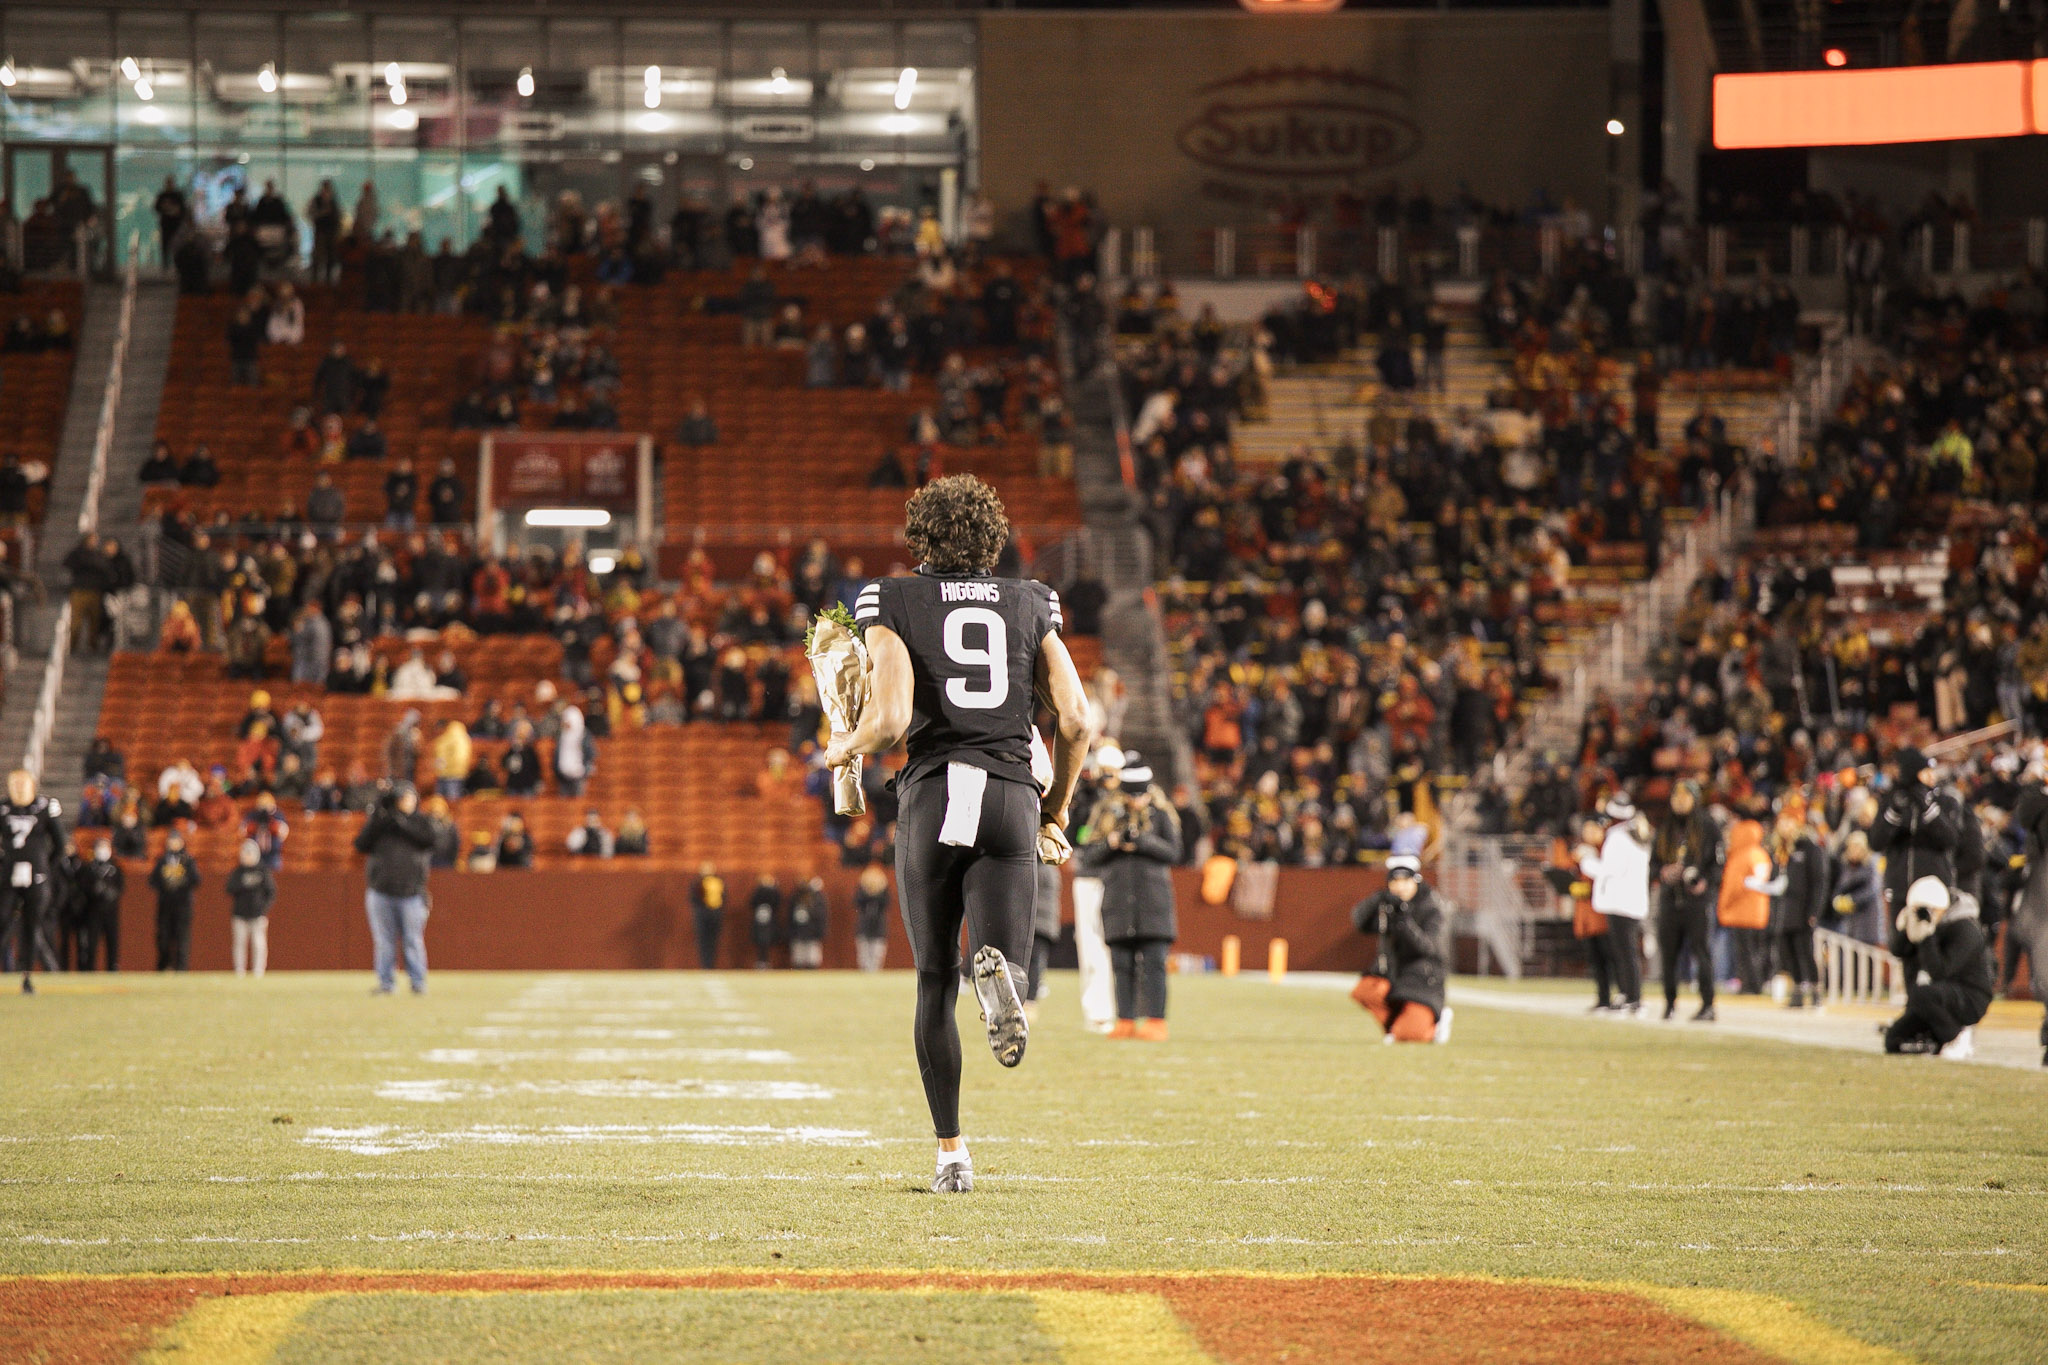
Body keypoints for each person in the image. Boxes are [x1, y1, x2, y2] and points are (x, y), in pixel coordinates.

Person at [823, 473, 1092, 1194]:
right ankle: (1003, 977)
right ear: (992, 539)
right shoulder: (1031, 599)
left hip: (937, 793)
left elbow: (888, 721)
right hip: (1009, 795)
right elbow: (1075, 719)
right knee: (1006, 960)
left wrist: (844, 746)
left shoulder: (893, 597)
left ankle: (952, 1154)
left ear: (920, 535)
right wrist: (1056, 810)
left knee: (934, 980)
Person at [1078, 750, 1180, 1040]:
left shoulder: (1162, 815)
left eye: (1140, 795)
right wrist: (1112, 842)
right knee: (1121, 965)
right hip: (1118, 902)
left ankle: (1156, 1021)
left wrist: (1144, 841)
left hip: (1153, 903)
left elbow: (1175, 852)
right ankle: (1125, 1020)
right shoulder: (1107, 814)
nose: (1136, 800)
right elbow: (1088, 855)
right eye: (1132, 795)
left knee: (1154, 964)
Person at [1884, 876, 1995, 1058]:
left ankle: (1956, 1036)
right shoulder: (1925, 923)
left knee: (1921, 994)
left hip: (1969, 997)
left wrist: (1927, 936)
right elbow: (1898, 951)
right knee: (1893, 1040)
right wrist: (1906, 930)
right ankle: (1934, 1042)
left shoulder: (1965, 929)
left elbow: (1940, 971)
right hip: (1933, 1000)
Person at [1348, 853, 1451, 1043]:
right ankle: (1397, 1026)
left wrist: (1404, 922)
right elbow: (1360, 922)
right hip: (1394, 975)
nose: (1400, 886)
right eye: (1394, 881)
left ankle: (1434, 1027)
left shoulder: (1432, 908)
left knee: (1410, 1034)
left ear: (1416, 880)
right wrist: (1378, 898)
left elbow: (1427, 948)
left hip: (1422, 980)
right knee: (1365, 990)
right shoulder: (1390, 905)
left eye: (1405, 881)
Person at [1870, 749, 1984, 920]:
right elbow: (1875, 842)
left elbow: (1950, 839)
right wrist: (1894, 812)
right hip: (1899, 891)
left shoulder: (1946, 802)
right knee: (1899, 937)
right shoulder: (1890, 801)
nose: (1932, 776)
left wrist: (1927, 808)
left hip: (1934, 893)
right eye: (1925, 771)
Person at [353, 782, 437, 995]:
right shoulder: (382, 824)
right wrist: (380, 813)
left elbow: (430, 840)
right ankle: (386, 983)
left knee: (413, 940)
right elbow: (361, 844)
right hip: (381, 890)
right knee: (384, 941)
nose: (407, 802)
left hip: (411, 892)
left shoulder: (420, 822)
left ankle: (418, 982)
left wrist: (402, 823)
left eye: (410, 797)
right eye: (402, 798)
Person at [1577, 793, 1652, 1015]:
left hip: (1620, 901)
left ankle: (1633, 997)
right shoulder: (1636, 835)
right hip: (1630, 901)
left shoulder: (1619, 837)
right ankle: (1628, 995)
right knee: (1625, 953)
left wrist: (1586, 861)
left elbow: (1610, 871)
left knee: (1625, 953)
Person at [1652, 780, 1720, 1021]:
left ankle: (1708, 1004)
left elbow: (1718, 863)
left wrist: (1705, 882)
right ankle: (1669, 1003)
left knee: (1702, 953)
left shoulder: (1707, 826)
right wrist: (1663, 872)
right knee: (1668, 955)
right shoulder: (1665, 828)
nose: (1680, 801)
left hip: (1697, 902)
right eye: (1676, 796)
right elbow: (1653, 864)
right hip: (1670, 899)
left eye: (1685, 796)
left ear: (1695, 799)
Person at [0, 770, 67, 990]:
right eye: (15, 783)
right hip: (9, 877)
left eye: (23, 783)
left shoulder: (45, 807)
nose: (19, 787)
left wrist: (45, 868)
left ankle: (26, 976)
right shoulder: (3, 808)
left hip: (36, 878)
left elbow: (60, 844)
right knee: (2, 919)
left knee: (31, 926)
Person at [1718, 816, 1775, 994]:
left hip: (1742, 911)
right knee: (1755, 951)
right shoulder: (1760, 854)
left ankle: (1750, 985)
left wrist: (1724, 906)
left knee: (1744, 952)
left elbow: (1733, 886)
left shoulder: (1741, 856)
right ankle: (1755, 984)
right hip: (1759, 910)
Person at [225, 839, 277, 979]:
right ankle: (239, 970)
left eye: (250, 853)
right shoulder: (238, 872)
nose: (247, 856)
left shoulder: (263, 871)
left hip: (258, 914)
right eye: (245, 853)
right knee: (239, 943)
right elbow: (229, 889)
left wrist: (264, 909)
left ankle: (258, 970)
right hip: (239, 914)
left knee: (258, 943)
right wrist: (244, 885)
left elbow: (271, 892)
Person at [149, 831, 200, 972]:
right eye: (171, 840)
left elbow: (196, 880)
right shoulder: (162, 860)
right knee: (163, 937)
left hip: (183, 904)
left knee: (182, 937)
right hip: (165, 904)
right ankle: (164, 966)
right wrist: (165, 884)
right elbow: (152, 880)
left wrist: (181, 883)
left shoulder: (188, 860)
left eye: (176, 840)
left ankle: (181, 968)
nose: (173, 843)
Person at [75, 839, 123, 972]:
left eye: (105, 847)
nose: (102, 850)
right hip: (93, 910)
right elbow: (82, 887)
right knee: (91, 941)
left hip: (111, 910)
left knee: (112, 941)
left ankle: (113, 967)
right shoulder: (89, 868)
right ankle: (90, 968)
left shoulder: (115, 868)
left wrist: (109, 892)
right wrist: (93, 890)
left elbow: (120, 887)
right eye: (100, 847)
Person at [853, 862, 890, 971]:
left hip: (878, 926)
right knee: (864, 952)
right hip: (864, 925)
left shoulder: (884, 893)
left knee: (877, 952)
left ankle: (875, 970)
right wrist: (866, 890)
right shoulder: (861, 892)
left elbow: (886, 903)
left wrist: (878, 891)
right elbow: (856, 902)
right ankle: (865, 970)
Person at [691, 863, 726, 969]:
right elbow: (693, 898)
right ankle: (705, 964)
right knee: (703, 939)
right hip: (702, 913)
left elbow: (724, 897)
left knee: (713, 939)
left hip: (715, 913)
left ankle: (711, 964)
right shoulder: (698, 883)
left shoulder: (718, 882)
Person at [788, 877, 827, 968]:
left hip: (811, 931)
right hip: (799, 931)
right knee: (799, 955)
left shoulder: (816, 898)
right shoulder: (795, 898)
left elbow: (820, 916)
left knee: (812, 955)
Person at [748, 873, 782, 969]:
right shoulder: (759, 892)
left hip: (768, 923)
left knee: (765, 941)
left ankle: (764, 961)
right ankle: (762, 961)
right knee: (761, 941)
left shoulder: (772, 892)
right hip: (761, 924)